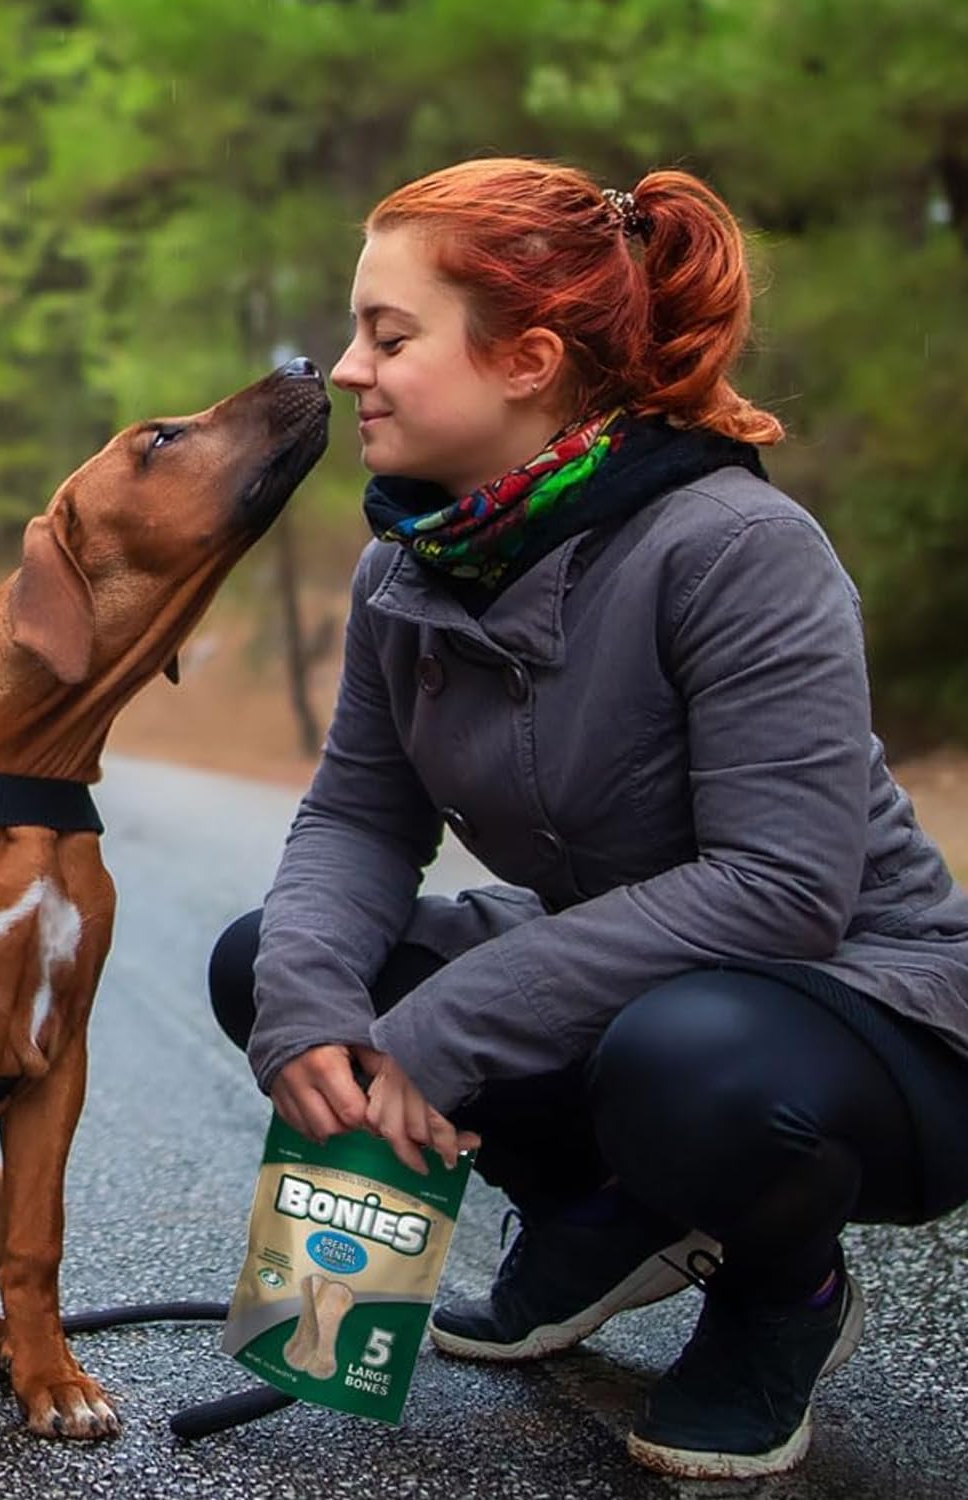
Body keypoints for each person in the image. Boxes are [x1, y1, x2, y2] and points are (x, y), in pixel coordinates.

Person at [207, 157, 968, 1481]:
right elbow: (360, 821)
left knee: (686, 1062)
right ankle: (596, 1215)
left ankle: (784, 1301)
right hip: (636, 986)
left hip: (865, 1011)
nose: (344, 368)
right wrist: (311, 1012)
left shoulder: (732, 549)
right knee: (270, 955)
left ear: (530, 360)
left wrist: (445, 1029)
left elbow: (781, 890)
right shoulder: (414, 562)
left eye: (389, 335)